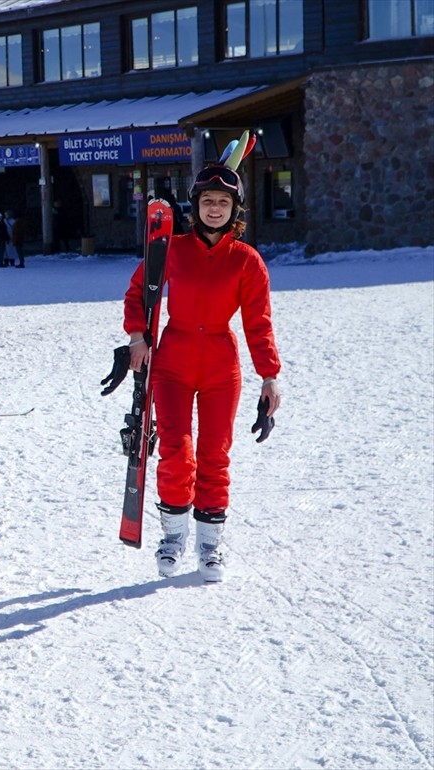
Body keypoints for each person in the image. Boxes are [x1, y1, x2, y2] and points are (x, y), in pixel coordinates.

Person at [120, 165, 281, 582]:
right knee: (176, 449)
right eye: (208, 201)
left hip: (219, 365)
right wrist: (137, 335)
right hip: (173, 360)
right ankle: (173, 537)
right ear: (196, 206)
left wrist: (269, 376)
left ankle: (209, 545)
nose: (215, 209)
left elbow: (258, 324)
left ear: (235, 209)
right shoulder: (171, 249)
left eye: (223, 202)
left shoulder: (247, 261)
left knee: (215, 454)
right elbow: (137, 292)